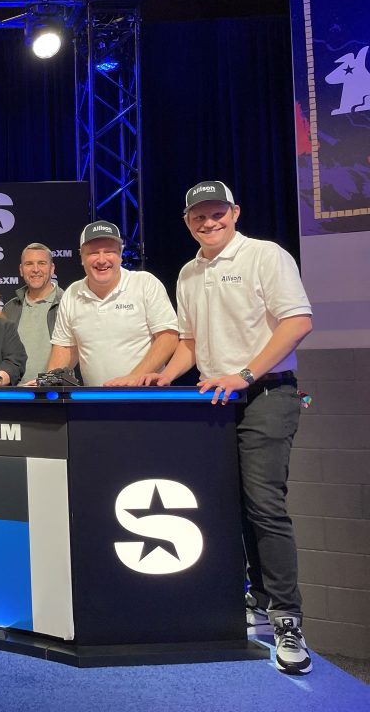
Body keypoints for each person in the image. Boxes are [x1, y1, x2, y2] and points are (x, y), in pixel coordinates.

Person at [141, 180, 314, 675]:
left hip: (266, 394)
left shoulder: (265, 255)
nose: (208, 222)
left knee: (264, 505)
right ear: (187, 222)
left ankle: (287, 619)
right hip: (215, 400)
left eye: (217, 213)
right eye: (199, 216)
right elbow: (190, 343)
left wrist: (244, 374)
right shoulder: (188, 272)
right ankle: (252, 599)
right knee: (227, 504)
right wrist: (165, 376)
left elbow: (298, 322)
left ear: (235, 212)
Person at [43, 221, 178, 386]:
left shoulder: (145, 283)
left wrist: (133, 378)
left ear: (120, 254)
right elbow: (64, 348)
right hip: (95, 399)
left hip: (144, 396)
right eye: (93, 253)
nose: (102, 260)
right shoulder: (72, 293)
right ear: (81, 257)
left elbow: (168, 338)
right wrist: (47, 383)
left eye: (109, 252)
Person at [2, 243, 64, 384]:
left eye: (42, 263)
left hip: (54, 391)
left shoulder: (67, 304)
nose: (35, 269)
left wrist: (47, 382)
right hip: (15, 392)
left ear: (52, 268)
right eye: (29, 264)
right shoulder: (9, 308)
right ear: (21, 269)